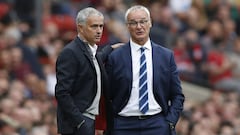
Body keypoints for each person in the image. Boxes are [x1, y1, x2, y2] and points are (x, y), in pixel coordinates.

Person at [106, 5, 185, 135]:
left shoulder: (166, 56)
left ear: (150, 23)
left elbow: (177, 95)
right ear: (127, 26)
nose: (139, 26)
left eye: (143, 21)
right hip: (123, 125)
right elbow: (107, 95)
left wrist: (170, 121)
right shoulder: (115, 57)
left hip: (157, 124)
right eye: (133, 23)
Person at [55, 7, 117, 135]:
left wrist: (110, 48)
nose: (99, 31)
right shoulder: (70, 53)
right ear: (80, 28)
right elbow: (62, 92)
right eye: (94, 26)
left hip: (89, 119)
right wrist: (79, 121)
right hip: (78, 123)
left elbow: (95, 59)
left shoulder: (91, 51)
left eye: (101, 26)